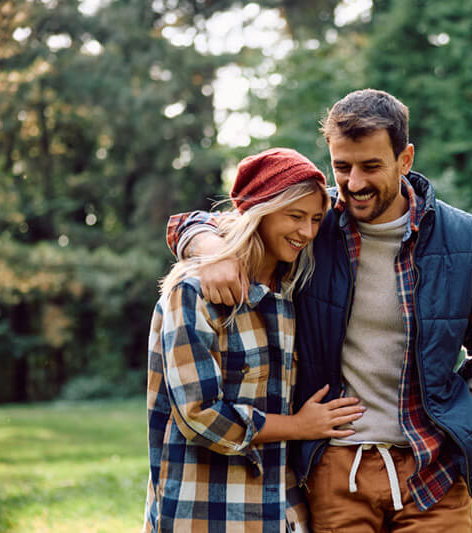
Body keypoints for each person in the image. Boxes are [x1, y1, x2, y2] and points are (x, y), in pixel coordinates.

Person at [166, 90, 472, 531]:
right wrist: (213, 250)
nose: (353, 183)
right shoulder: (313, 224)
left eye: (371, 166)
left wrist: (464, 426)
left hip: (434, 471)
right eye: (341, 166)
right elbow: (192, 222)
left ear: (404, 159)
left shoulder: (466, 241)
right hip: (336, 469)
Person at [144, 148, 366, 533]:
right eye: (295, 217)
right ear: (260, 212)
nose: (307, 232)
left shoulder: (292, 295)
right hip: (205, 511)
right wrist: (298, 426)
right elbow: (200, 415)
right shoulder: (195, 292)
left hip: (281, 512)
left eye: (316, 219)